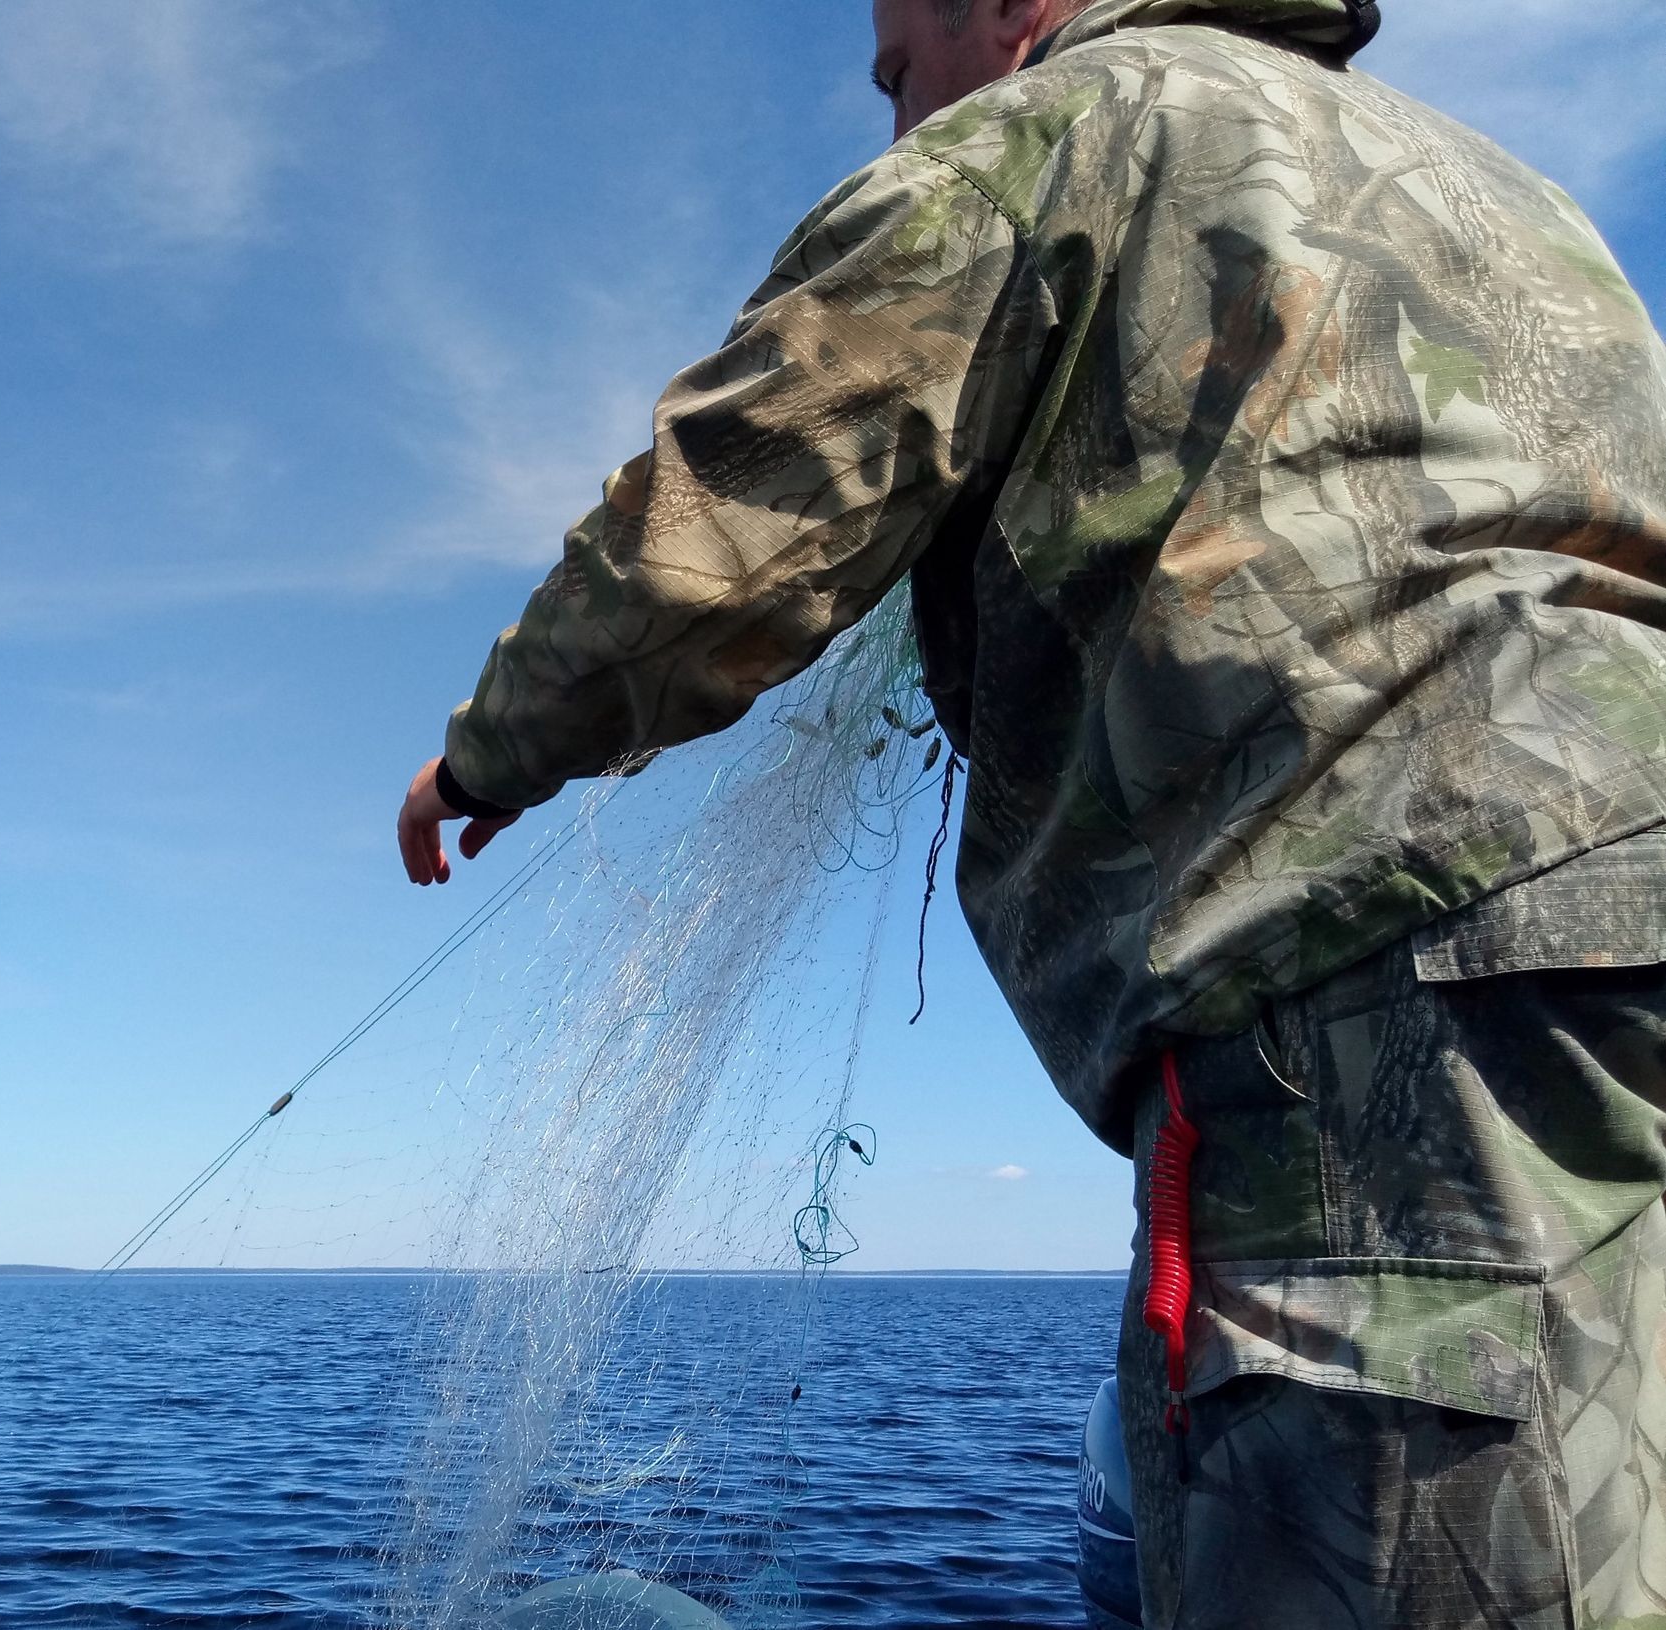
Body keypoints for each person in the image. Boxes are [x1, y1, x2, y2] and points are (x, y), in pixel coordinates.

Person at [394, 1, 1666, 1625]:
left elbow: (730, 507)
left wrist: (489, 753)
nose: (891, 117)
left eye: (890, 72)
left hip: (1366, 944)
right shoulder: (1510, 190)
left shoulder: (1057, 124)